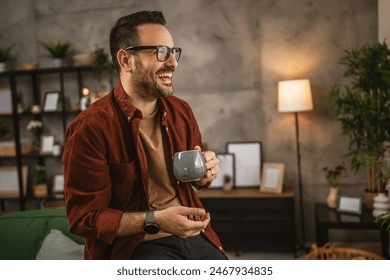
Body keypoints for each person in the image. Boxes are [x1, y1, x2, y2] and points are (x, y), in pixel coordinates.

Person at [62, 10, 226, 260]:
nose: (173, 63)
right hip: (134, 246)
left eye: (174, 52)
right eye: (160, 52)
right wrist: (156, 220)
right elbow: (85, 219)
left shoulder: (181, 111)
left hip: (194, 233)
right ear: (126, 60)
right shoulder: (90, 128)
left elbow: (194, 178)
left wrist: (207, 173)